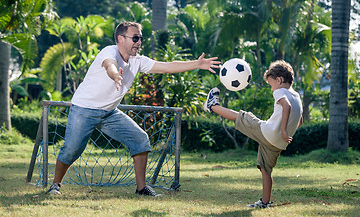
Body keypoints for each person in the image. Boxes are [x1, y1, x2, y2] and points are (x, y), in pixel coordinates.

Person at [47, 21, 220, 196]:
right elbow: (109, 65)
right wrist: (115, 75)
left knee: (140, 140)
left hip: (109, 112)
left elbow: (166, 67)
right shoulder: (109, 51)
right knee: (72, 149)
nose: (138, 42)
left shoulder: (138, 61)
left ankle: (141, 188)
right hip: (84, 108)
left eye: (140, 38)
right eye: (135, 38)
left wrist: (196, 64)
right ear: (120, 38)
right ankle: (56, 184)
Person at [204, 60, 303, 208]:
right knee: (266, 170)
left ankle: (212, 105)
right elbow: (300, 119)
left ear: (279, 80)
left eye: (271, 85)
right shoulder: (296, 96)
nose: (271, 89)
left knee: (241, 117)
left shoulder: (280, 91)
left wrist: (282, 130)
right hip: (278, 143)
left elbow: (286, 106)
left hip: (267, 132)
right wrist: (286, 133)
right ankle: (264, 202)